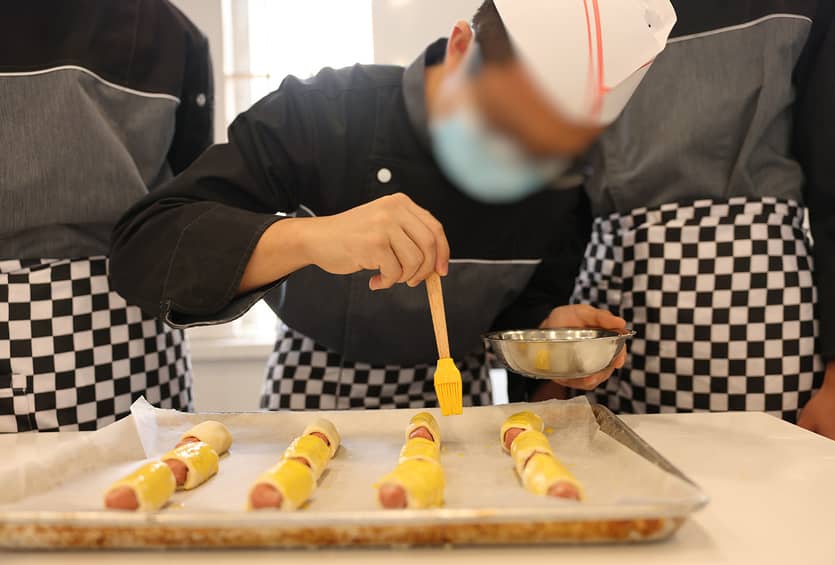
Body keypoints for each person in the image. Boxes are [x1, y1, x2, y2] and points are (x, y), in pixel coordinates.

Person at [109, 1, 674, 411]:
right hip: (313, 402)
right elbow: (147, 245)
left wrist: (551, 347)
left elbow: (523, 322)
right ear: (460, 50)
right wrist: (313, 238)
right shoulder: (326, 113)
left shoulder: (563, 186)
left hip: (465, 411)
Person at [513, 1, 835, 446]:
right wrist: (544, 347)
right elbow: (557, 204)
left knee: (765, 497)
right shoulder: (576, 12)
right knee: (619, 498)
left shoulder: (804, 8)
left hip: (761, 323)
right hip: (610, 322)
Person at [0, 0, 212, 432]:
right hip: (135, 326)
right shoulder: (172, 30)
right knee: (146, 490)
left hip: (130, 314)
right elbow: (194, 204)